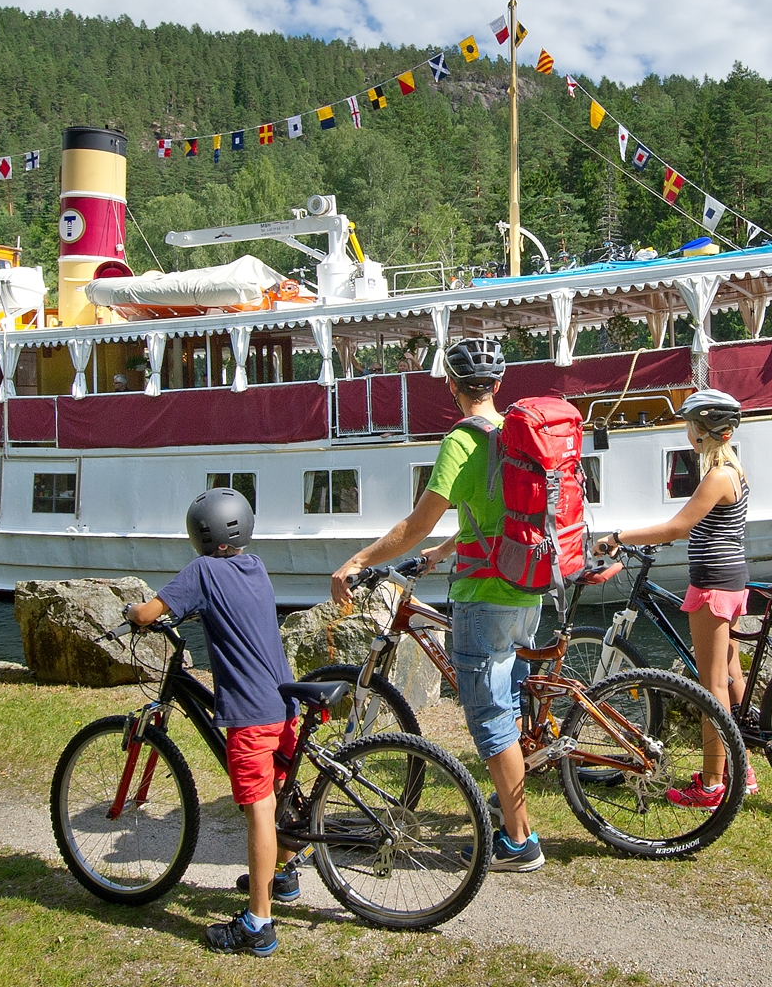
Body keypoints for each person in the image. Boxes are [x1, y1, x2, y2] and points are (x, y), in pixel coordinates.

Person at [330, 338, 544, 873]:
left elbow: (415, 523)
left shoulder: (461, 442)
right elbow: (494, 512)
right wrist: (446, 550)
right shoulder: (517, 436)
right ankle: (509, 806)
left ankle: (519, 843)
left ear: (451, 386)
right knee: (508, 707)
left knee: (490, 718)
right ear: (497, 387)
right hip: (528, 588)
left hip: (485, 594)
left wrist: (357, 560)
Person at [123, 488, 292, 957]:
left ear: (200, 535)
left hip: (252, 715)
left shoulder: (202, 571)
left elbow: (150, 611)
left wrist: (132, 614)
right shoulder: (255, 567)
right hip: (283, 703)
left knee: (258, 809)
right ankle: (283, 873)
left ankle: (258, 924)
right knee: (281, 789)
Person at [594, 388, 754, 809]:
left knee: (711, 687)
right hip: (733, 580)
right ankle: (744, 766)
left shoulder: (717, 476)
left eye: (689, 426)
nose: (687, 432)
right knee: (732, 678)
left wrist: (618, 536)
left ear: (701, 432)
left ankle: (713, 785)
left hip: (714, 586)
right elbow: (705, 529)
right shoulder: (735, 471)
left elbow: (677, 528)